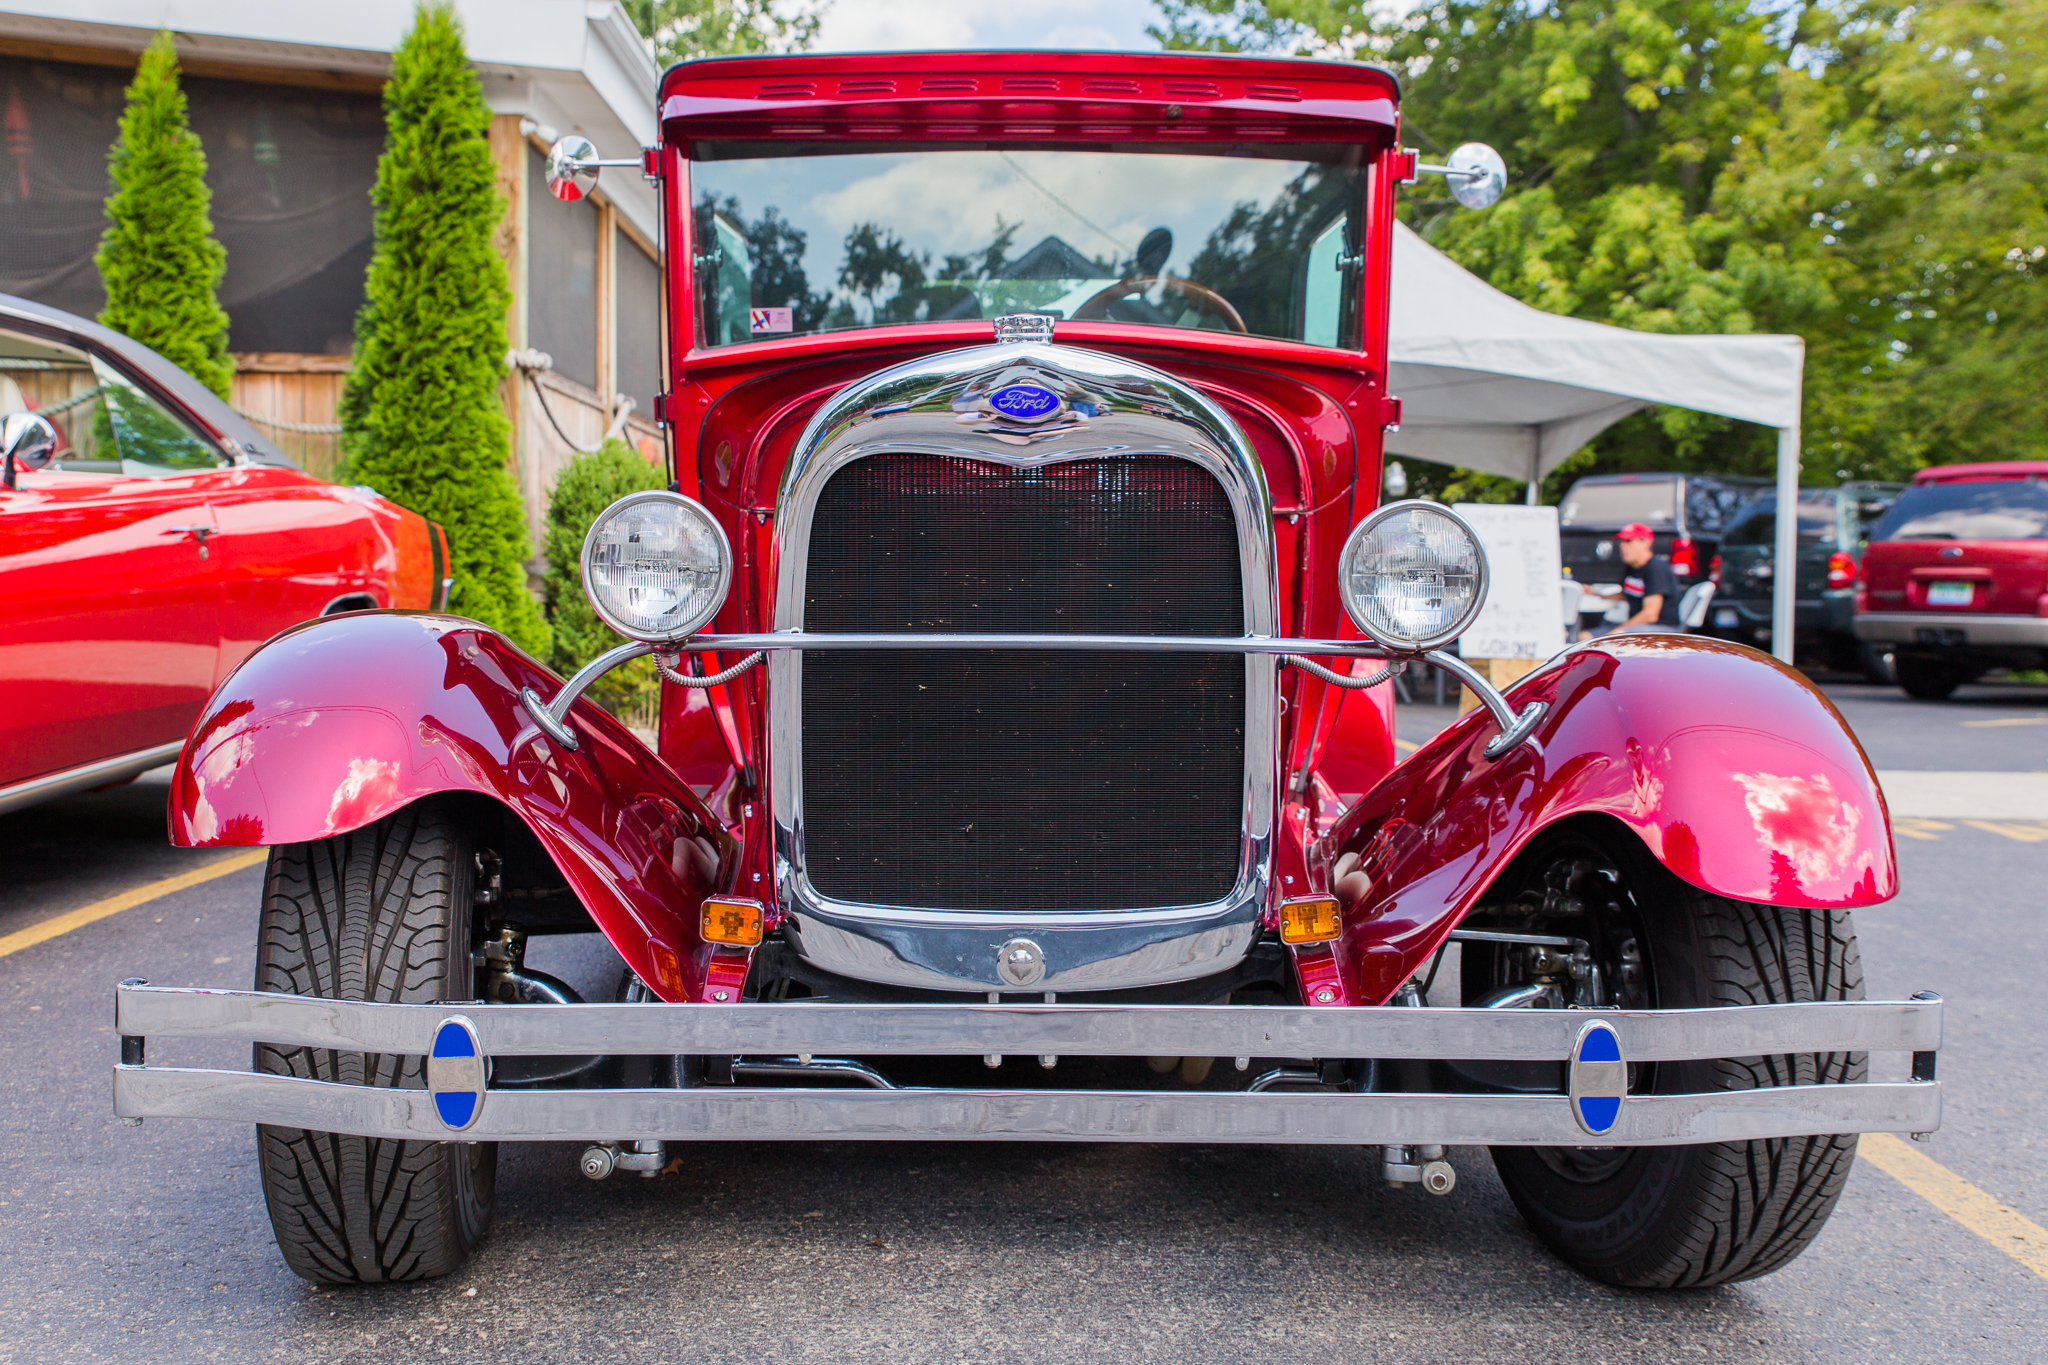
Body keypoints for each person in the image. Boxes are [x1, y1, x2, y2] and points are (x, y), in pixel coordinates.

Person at [1597, 522, 1683, 631]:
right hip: (1638, 627)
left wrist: (1618, 630)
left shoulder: (1656, 568)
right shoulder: (1632, 566)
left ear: (1645, 543)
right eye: (1622, 541)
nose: (1623, 546)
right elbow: (1626, 594)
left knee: (1612, 638)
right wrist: (1596, 594)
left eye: (1628, 541)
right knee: (1585, 637)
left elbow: (1650, 615)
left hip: (1660, 629)